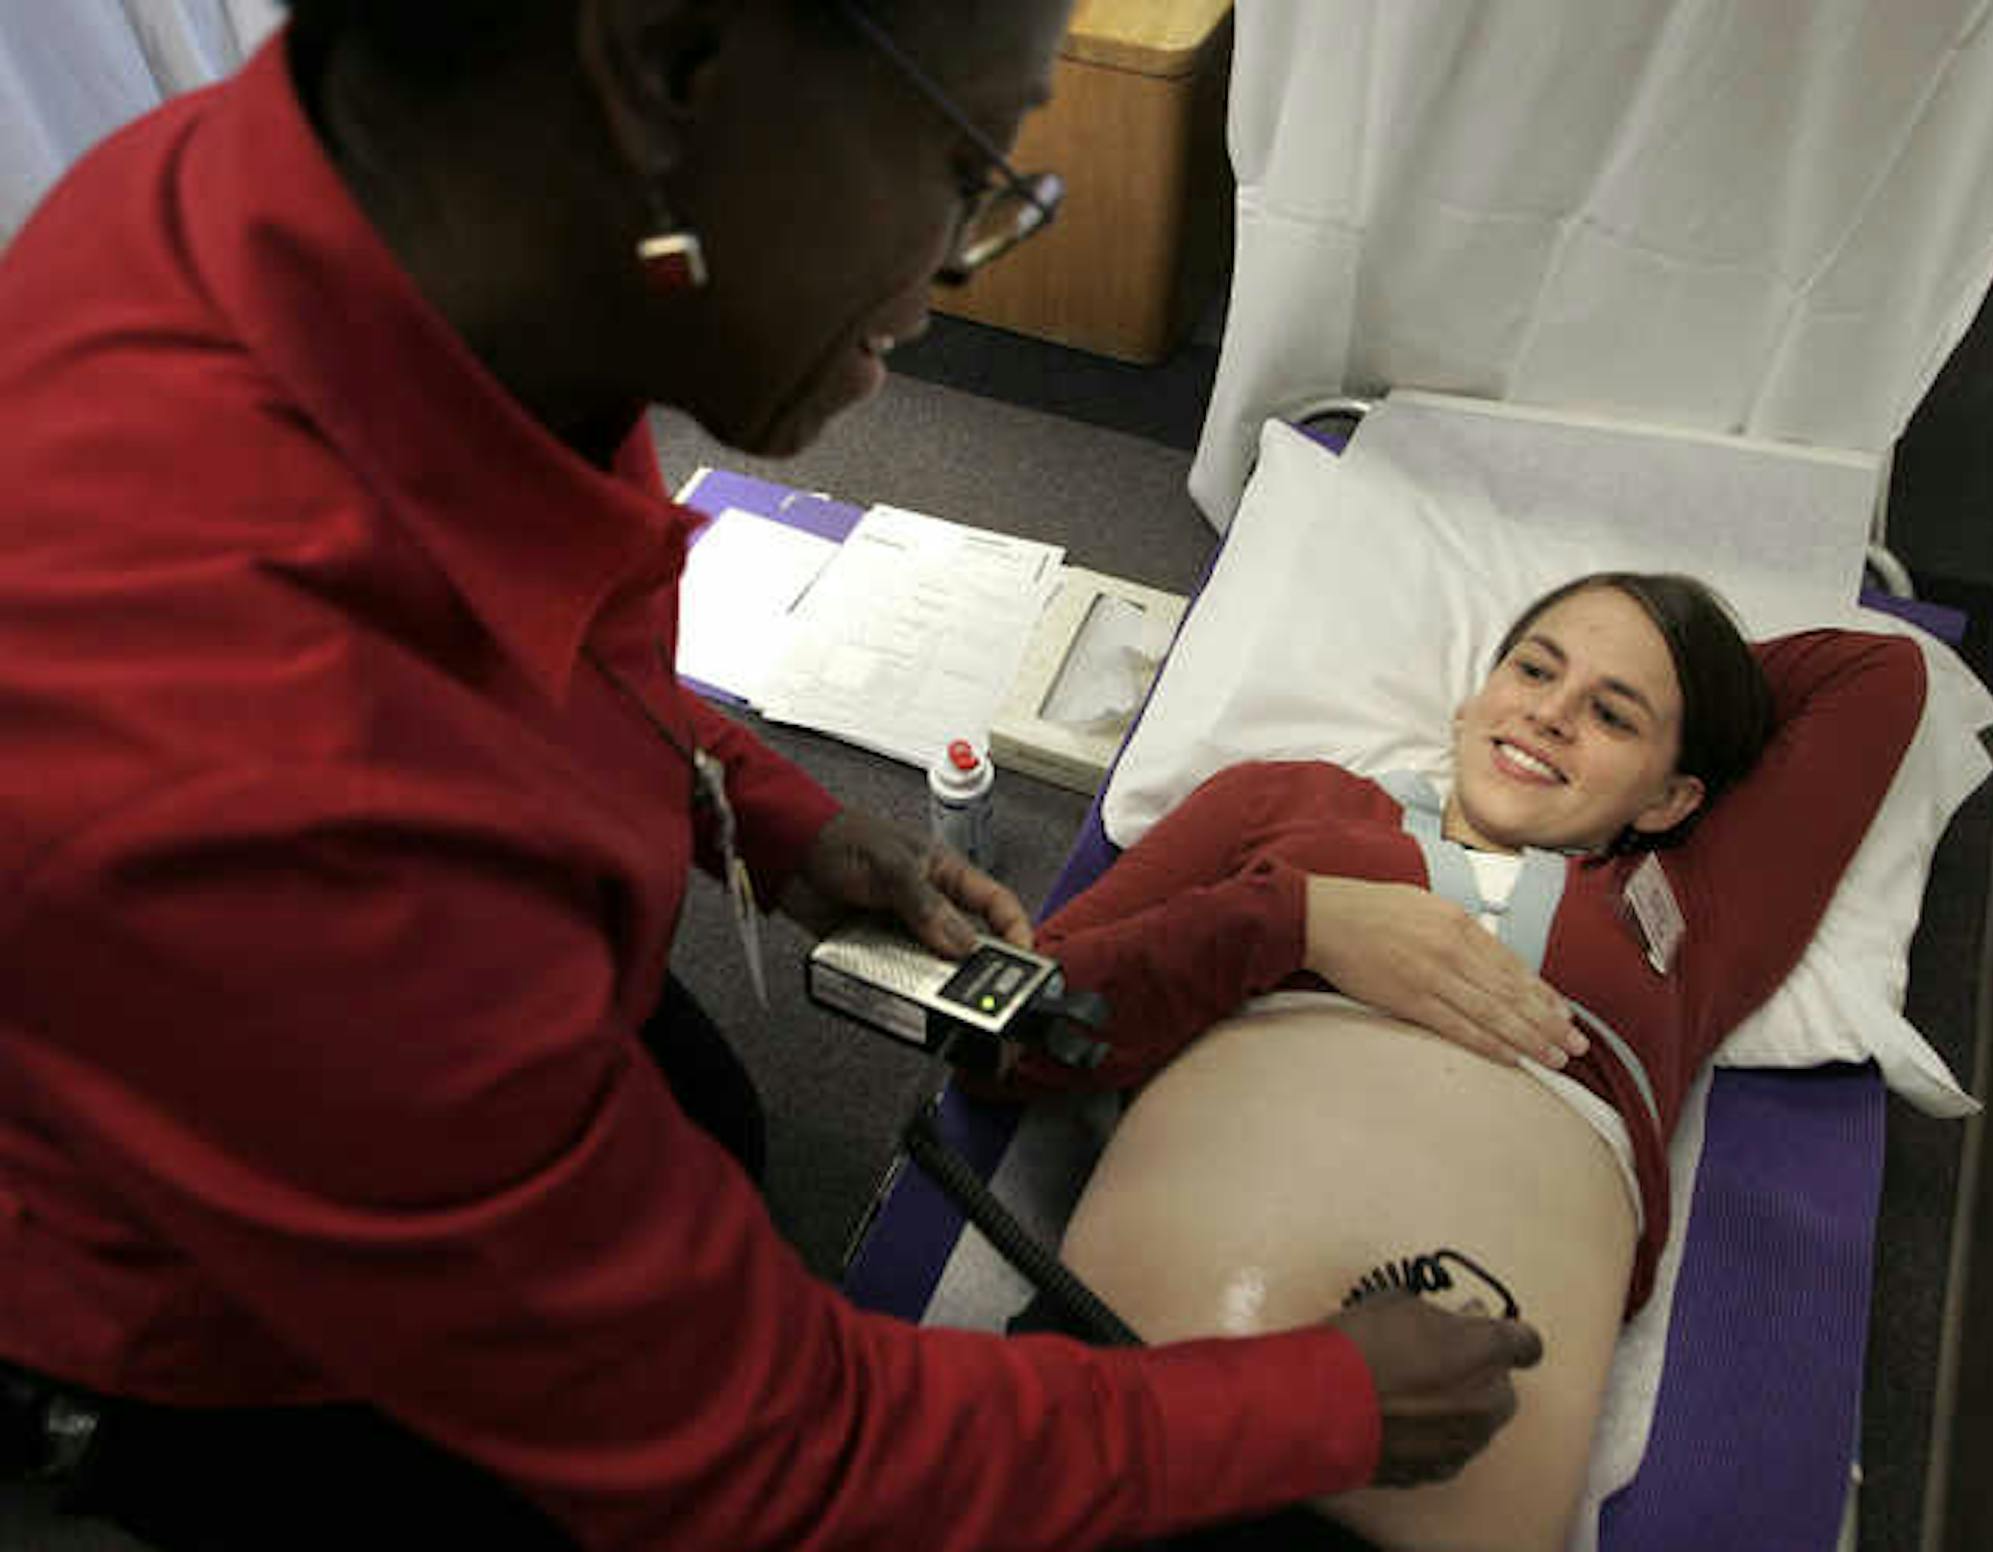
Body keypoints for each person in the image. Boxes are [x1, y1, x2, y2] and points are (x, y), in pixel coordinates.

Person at [0, 2, 1544, 1550]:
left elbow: (552, 635)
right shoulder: (274, 792)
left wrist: (783, 824)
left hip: (390, 1005)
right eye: (961, 167)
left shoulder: (388, 218)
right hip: (250, 1350)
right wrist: (1327, 1405)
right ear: (669, 68)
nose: (946, 284)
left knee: (713, 1122)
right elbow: (769, 1459)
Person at [972, 573, 1927, 1550]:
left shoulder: (1693, 916)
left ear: (1675, 794)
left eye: (1610, 713)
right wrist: (1294, 922)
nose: (1549, 714)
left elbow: (1876, 673)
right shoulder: (1281, 802)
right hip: (1123, 1434)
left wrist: (1686, 680)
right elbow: (995, 1026)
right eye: (1532, 669)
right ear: (1473, 695)